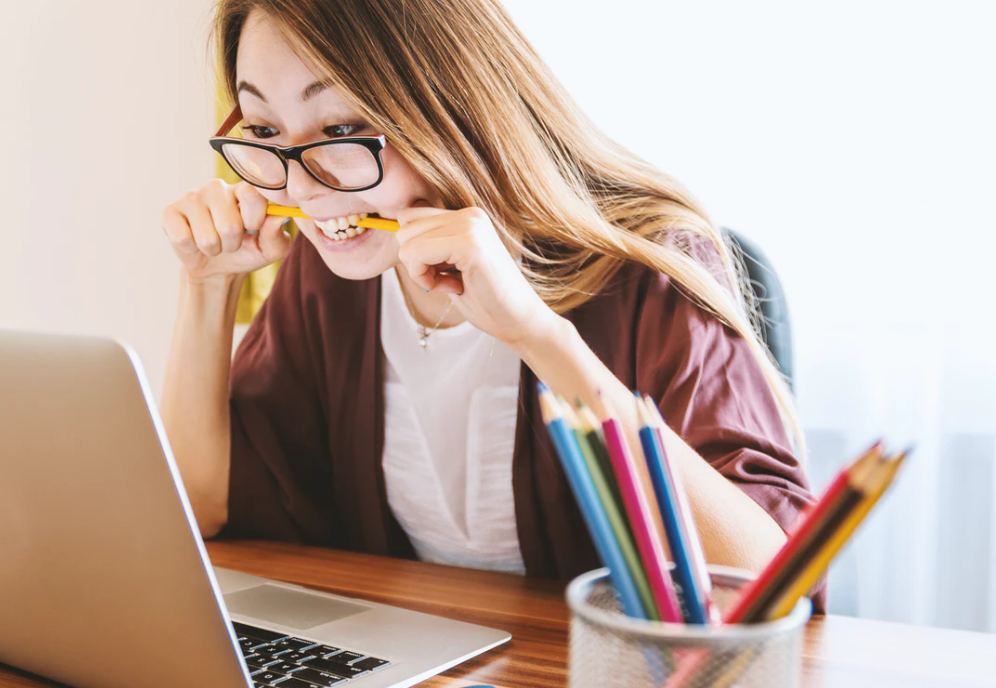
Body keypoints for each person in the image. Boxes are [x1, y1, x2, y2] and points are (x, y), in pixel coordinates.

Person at [161, 0, 822, 607]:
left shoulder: (648, 269)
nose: (303, 187)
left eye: (341, 126)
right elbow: (200, 505)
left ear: (448, 104)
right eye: (266, 129)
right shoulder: (328, 277)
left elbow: (768, 584)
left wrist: (539, 335)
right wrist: (207, 287)